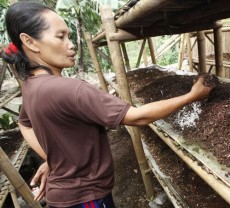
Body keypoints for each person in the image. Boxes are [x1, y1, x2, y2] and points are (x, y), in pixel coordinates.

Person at [1, 2, 213, 208]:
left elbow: (24, 124)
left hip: (63, 196)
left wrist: (54, 159)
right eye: (60, 36)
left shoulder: (30, 85)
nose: (71, 44)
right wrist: (192, 96)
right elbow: (137, 117)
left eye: (68, 35)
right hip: (86, 198)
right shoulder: (70, 89)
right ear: (29, 42)